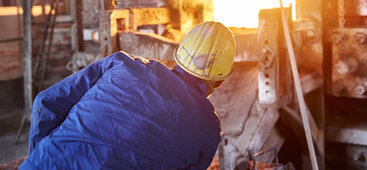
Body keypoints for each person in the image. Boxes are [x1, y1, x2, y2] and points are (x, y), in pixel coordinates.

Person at [20, 21, 236, 170]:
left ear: (179, 56)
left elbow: (44, 103)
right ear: (219, 81)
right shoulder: (208, 129)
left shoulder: (121, 64)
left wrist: (44, 158)